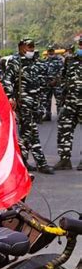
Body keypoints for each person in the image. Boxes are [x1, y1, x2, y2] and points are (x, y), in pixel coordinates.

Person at [3, 39, 53, 174]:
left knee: (26, 135)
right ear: (21, 48)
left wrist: (42, 103)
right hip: (23, 104)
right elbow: (7, 80)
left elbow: (40, 82)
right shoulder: (15, 62)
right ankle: (41, 163)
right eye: (29, 46)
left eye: (33, 46)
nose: (32, 49)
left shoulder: (34, 62)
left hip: (35, 104)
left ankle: (22, 162)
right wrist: (10, 97)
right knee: (32, 132)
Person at [54, 36, 82, 170]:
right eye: (81, 44)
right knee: (64, 128)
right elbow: (63, 78)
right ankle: (65, 159)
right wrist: (62, 97)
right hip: (70, 102)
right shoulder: (70, 60)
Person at [42, 46, 64, 120]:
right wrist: (47, 81)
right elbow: (43, 72)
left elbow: (62, 71)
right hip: (48, 84)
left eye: (52, 51)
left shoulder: (59, 60)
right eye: (49, 51)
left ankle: (59, 116)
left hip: (57, 83)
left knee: (59, 100)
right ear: (47, 52)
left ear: (54, 51)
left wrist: (55, 80)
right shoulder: (45, 61)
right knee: (47, 100)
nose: (50, 52)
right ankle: (47, 115)